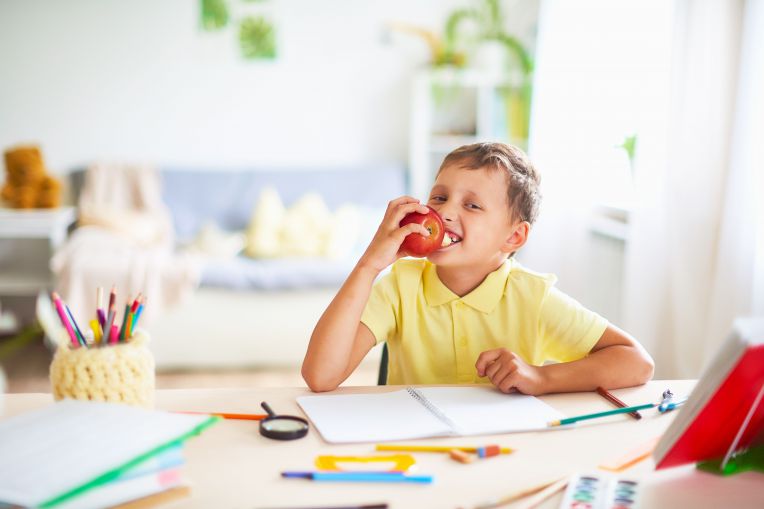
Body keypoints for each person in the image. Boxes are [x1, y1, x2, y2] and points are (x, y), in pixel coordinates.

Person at [302, 142, 654, 394]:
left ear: (514, 237)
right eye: (439, 197)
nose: (446, 213)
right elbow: (321, 377)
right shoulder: (400, 285)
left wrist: (541, 378)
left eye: (472, 205)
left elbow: (636, 362)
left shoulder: (532, 296)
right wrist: (369, 264)